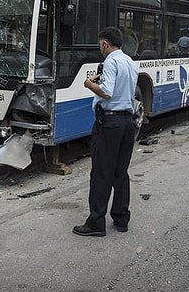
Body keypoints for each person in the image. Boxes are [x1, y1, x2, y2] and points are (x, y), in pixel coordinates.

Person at [74, 26, 139, 237]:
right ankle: (121, 219)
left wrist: (88, 84)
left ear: (105, 44)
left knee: (102, 172)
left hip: (109, 124)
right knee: (121, 172)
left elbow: (107, 93)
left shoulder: (110, 61)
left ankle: (96, 222)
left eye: (100, 45)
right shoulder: (129, 61)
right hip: (128, 123)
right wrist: (99, 80)